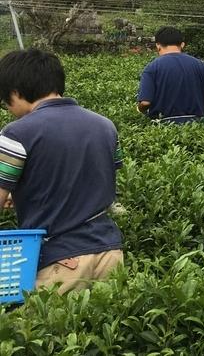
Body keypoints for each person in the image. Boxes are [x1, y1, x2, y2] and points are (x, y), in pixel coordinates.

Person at [0, 49, 123, 294]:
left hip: (62, 261)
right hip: (110, 254)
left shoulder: (16, 133)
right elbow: (92, 179)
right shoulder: (105, 126)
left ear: (15, 92)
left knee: (43, 331)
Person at [137, 26, 204, 123]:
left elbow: (145, 102)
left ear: (158, 45)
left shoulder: (152, 68)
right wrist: (202, 106)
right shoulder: (201, 65)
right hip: (197, 124)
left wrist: (140, 110)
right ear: (182, 45)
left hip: (164, 126)